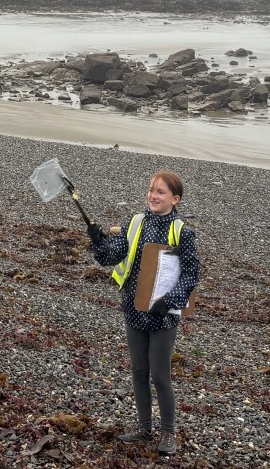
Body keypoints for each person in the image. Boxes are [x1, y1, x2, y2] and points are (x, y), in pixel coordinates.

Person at [89, 170, 201, 455]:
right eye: (152, 190)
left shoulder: (182, 232)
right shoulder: (136, 222)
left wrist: (171, 300)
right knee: (139, 371)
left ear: (175, 199)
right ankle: (144, 428)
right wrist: (98, 240)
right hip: (134, 307)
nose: (153, 195)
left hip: (164, 315)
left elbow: (192, 273)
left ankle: (168, 433)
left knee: (160, 376)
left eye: (160, 192)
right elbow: (112, 256)